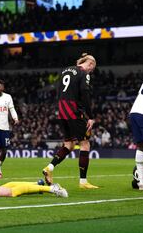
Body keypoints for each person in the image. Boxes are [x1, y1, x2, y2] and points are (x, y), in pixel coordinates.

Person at [42, 53, 98, 189]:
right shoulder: (84, 73)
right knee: (85, 145)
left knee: (69, 145)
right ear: (90, 64)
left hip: (62, 111)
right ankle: (83, 182)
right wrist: (90, 116)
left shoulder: (65, 70)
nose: (91, 71)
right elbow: (85, 93)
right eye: (93, 68)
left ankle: (49, 168)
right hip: (74, 112)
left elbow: (59, 90)